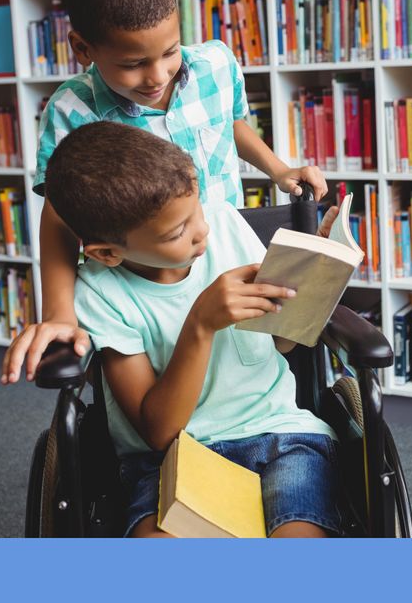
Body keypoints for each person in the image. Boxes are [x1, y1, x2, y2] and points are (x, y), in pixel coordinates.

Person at [2, 0, 327, 384]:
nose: (157, 76)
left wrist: (277, 169)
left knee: (244, 362)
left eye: (169, 52)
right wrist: (59, 314)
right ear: (82, 47)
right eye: (134, 64)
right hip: (142, 280)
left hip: (223, 250)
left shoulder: (215, 64)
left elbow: (228, 123)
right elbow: (59, 216)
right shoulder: (71, 110)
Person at [44, 121, 341, 537]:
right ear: (109, 253)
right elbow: (159, 432)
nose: (202, 230)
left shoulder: (223, 224)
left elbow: (282, 343)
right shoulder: (100, 292)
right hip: (174, 456)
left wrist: (312, 283)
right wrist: (200, 324)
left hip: (280, 435)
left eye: (197, 209)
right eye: (178, 231)